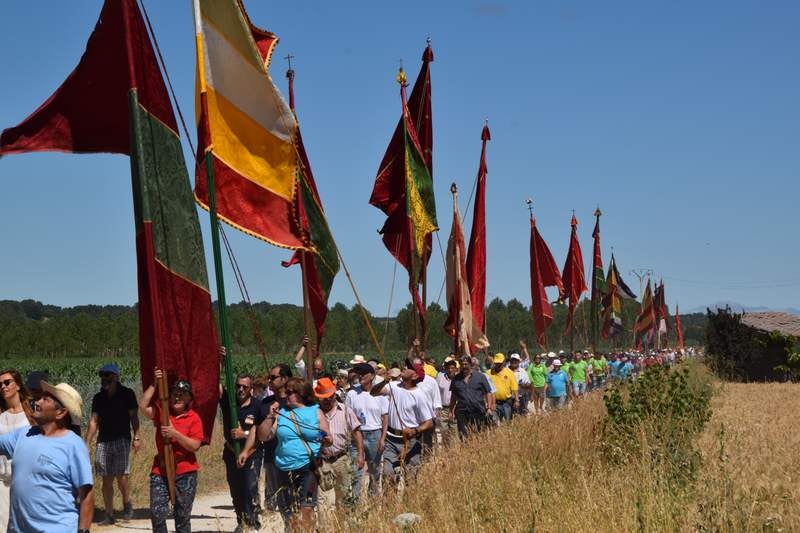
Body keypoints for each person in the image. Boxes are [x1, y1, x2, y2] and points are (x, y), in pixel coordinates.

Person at [0, 381, 93, 533]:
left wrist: (83, 530)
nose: (37, 401)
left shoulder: (73, 445)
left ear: (60, 412)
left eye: (46, 400)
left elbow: (87, 493)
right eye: (40, 398)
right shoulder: (23, 434)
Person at [243, 378, 330, 532]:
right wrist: (270, 416)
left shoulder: (316, 411)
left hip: (308, 469)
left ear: (301, 394)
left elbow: (328, 437)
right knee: (290, 511)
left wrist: (324, 437)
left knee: (307, 507)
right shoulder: (281, 414)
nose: (285, 396)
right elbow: (264, 436)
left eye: (289, 393)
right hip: (284, 469)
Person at [139, 369, 204, 533]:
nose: (177, 397)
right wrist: (155, 383)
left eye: (182, 395)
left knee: (182, 517)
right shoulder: (162, 411)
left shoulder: (194, 418)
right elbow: (143, 406)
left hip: (185, 471)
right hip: (160, 470)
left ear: (189, 398)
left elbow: (195, 445)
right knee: (157, 513)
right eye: (175, 393)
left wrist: (175, 434)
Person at [85, 362, 140, 525]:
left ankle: (127, 502)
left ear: (116, 377)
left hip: (122, 438)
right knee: (106, 479)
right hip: (104, 441)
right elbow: (94, 421)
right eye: (102, 376)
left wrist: (137, 437)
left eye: (107, 375)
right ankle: (109, 514)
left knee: (122, 476)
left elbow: (134, 418)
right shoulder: (98, 398)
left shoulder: (127, 394)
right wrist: (87, 442)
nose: (104, 379)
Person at [371, 367, 434, 487]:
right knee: (388, 475)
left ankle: (408, 503)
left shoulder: (419, 395)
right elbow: (373, 393)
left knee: (411, 479)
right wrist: (384, 381)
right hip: (391, 439)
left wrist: (415, 430)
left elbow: (429, 422)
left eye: (409, 368)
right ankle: (390, 504)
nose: (404, 368)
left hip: (410, 441)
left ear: (414, 376)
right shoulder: (394, 385)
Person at [219, 372, 264, 532]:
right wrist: (221, 363)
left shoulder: (258, 406)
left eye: (244, 387)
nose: (240, 389)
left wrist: (243, 434)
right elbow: (215, 384)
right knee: (236, 490)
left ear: (250, 388)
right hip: (231, 453)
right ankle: (242, 521)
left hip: (252, 453)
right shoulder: (228, 402)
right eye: (238, 386)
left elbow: (260, 431)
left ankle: (252, 522)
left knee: (250, 487)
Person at [315, 377, 364, 519]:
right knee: (322, 499)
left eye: (329, 397)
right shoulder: (314, 414)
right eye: (323, 398)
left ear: (334, 394)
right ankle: (324, 526)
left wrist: (360, 455)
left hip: (341, 458)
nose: (327, 400)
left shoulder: (345, 411)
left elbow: (357, 432)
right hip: (321, 461)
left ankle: (343, 524)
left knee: (343, 496)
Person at [346, 363, 388, 500]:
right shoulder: (352, 393)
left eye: (363, 373)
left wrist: (382, 438)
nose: (360, 376)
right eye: (359, 373)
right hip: (357, 435)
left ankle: (373, 501)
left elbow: (385, 417)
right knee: (356, 472)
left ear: (372, 376)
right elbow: (348, 414)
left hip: (374, 434)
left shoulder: (380, 393)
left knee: (374, 471)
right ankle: (355, 502)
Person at [0, 369, 33, 530]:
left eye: (7, 382)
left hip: (26, 478)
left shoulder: (31, 414)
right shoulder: (0, 415)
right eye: (0, 384)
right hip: (2, 479)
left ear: (18, 385)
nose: (3, 387)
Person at [449, 355, 493, 438]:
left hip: (478, 410)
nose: (464, 366)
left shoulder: (480, 377)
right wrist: (451, 411)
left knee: (479, 435)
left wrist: (489, 408)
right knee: (463, 436)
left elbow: (488, 392)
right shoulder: (456, 379)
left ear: (470, 364)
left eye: (466, 364)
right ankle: (466, 450)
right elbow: (453, 396)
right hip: (462, 411)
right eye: (462, 364)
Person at [487, 353, 519, 421]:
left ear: (504, 362)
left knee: (507, 421)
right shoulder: (488, 373)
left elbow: (514, 387)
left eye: (500, 363)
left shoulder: (509, 372)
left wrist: (516, 400)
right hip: (494, 403)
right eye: (497, 363)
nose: (498, 364)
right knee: (494, 422)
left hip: (506, 402)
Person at [435, 358, 459, 446]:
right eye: (448, 368)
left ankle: (455, 451)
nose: (450, 370)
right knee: (443, 432)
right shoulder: (440, 377)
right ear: (446, 368)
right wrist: (436, 408)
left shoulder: (459, 379)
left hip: (455, 408)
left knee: (454, 431)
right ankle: (446, 451)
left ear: (456, 369)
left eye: (452, 368)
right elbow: (436, 393)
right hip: (442, 409)